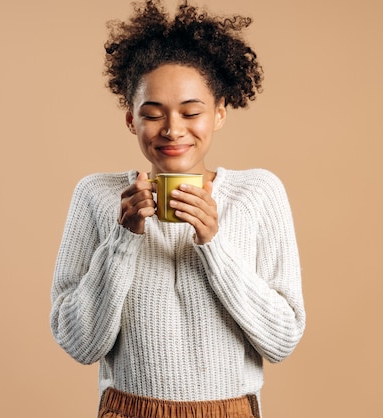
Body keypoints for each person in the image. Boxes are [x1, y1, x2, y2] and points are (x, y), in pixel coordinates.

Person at [50, 1, 306, 417]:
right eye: (153, 114)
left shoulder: (259, 193)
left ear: (219, 112)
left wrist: (213, 243)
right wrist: (123, 239)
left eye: (191, 112)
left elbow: (282, 339)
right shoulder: (97, 196)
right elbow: (80, 345)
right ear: (131, 119)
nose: (172, 129)